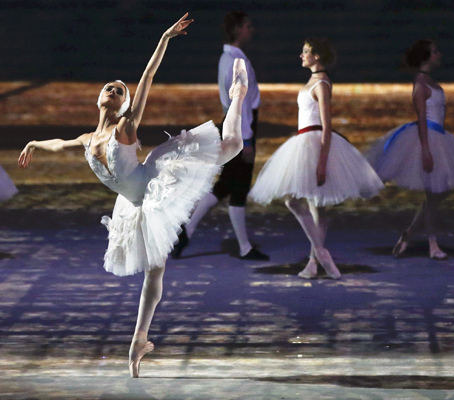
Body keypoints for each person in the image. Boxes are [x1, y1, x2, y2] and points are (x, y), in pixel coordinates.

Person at [18, 13, 249, 377]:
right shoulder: (86, 139)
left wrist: (165, 38)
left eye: (119, 91)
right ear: (98, 98)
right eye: (108, 88)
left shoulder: (125, 126)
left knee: (232, 144)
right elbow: (60, 143)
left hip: (157, 181)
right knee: (155, 272)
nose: (113, 91)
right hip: (134, 202)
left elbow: (148, 77)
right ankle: (138, 341)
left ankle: (237, 96)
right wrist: (34, 142)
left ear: (124, 105)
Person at [249, 38, 384, 279]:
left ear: (317, 56)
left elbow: (327, 125)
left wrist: (322, 161)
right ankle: (317, 257)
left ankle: (318, 258)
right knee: (301, 203)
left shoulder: (322, 83)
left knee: (311, 205)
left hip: (314, 143)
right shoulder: (312, 81)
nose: (301, 55)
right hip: (303, 140)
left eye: (306, 51)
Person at [367, 39, 454, 260]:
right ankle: (433, 245)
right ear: (426, 58)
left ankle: (410, 233)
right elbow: (422, 120)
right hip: (426, 139)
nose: (439, 54)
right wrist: (426, 151)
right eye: (435, 52)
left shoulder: (431, 82)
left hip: (439, 137)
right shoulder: (420, 85)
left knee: (438, 193)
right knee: (433, 192)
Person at [172, 11, 268, 261]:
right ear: (236, 30)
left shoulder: (228, 58)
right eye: (247, 26)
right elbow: (240, 103)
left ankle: (187, 232)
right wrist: (247, 140)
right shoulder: (235, 61)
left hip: (234, 125)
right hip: (240, 127)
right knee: (237, 187)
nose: (251, 30)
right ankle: (243, 247)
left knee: (226, 185)